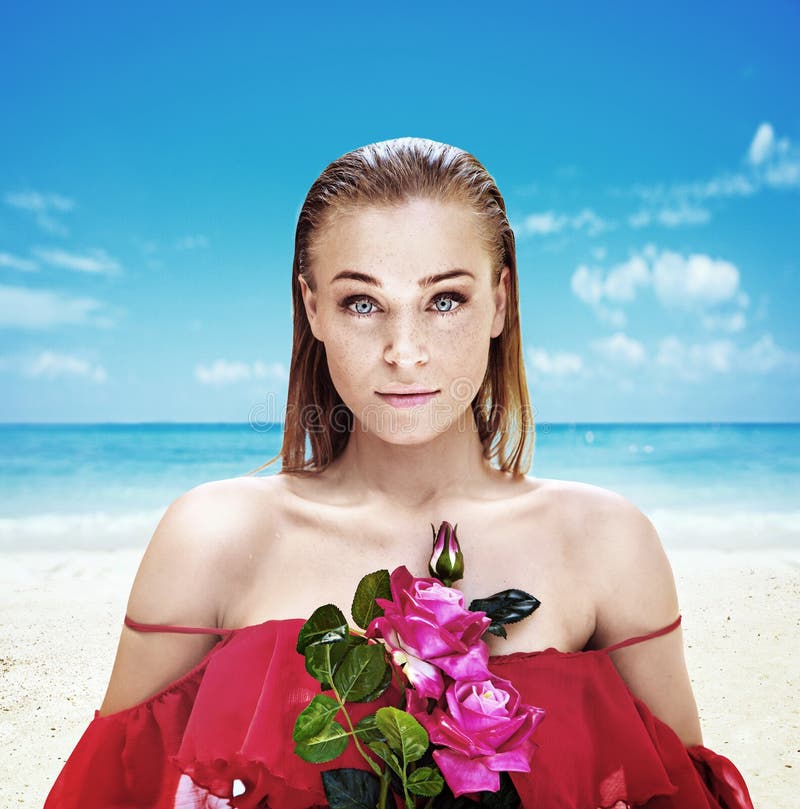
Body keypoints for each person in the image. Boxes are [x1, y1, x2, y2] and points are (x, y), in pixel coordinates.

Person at [44, 137, 753, 809]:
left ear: (500, 301)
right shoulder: (212, 538)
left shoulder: (608, 544)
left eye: (444, 300)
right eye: (363, 302)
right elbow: (117, 787)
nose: (404, 351)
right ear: (312, 307)